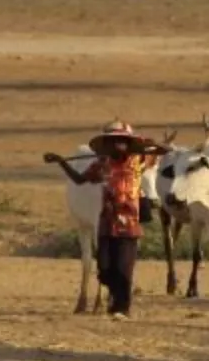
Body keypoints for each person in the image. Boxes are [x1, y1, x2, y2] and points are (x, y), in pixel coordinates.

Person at [45, 121, 166, 321]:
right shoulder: (102, 164)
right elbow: (78, 179)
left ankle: (121, 308)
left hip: (129, 226)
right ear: (108, 145)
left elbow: (163, 151)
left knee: (124, 270)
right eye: (114, 142)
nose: (118, 146)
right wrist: (61, 161)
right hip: (106, 224)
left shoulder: (139, 161)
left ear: (129, 145)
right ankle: (115, 298)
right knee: (105, 270)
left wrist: (147, 144)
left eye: (123, 142)